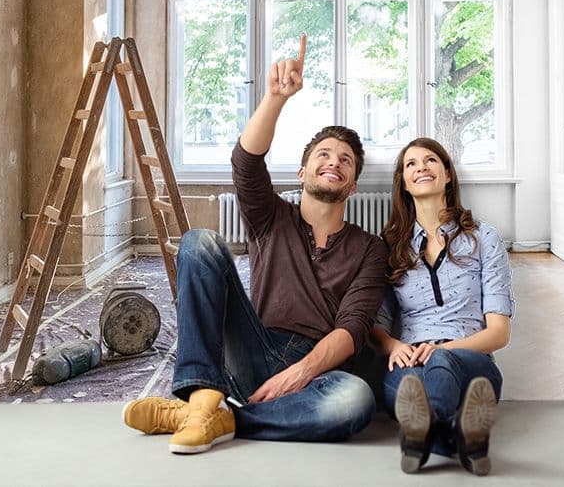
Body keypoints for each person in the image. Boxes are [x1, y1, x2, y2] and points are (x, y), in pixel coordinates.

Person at [122, 35, 389, 453]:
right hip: (254, 346)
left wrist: (300, 372)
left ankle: (208, 412)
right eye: (323, 155)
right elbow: (246, 162)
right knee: (199, 243)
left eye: (344, 160)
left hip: (316, 368)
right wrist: (276, 98)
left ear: (352, 185)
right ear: (303, 172)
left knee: (355, 401)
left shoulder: (369, 248)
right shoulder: (270, 217)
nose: (333, 162)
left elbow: (351, 330)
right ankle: (203, 392)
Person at [370, 137, 513, 476]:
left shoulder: (484, 238)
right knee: (404, 388)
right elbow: (374, 321)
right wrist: (393, 345)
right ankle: (464, 439)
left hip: (471, 360)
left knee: (440, 366)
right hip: (409, 360)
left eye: (430, 160)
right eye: (411, 164)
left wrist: (442, 349)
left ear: (447, 174)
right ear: (404, 183)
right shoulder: (388, 246)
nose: (421, 167)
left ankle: (419, 436)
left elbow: (498, 332)